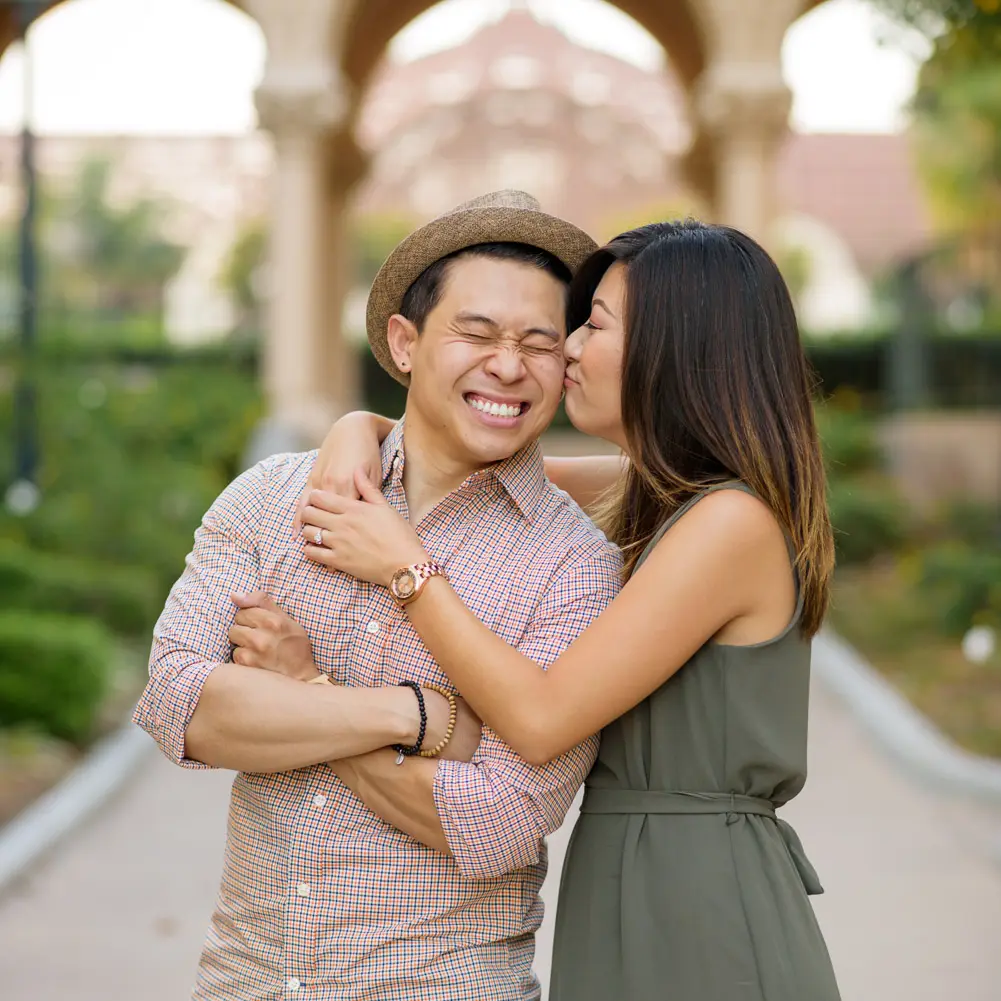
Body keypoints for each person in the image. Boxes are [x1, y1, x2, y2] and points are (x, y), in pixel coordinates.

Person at [296, 219, 843, 1000]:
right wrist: (355, 429)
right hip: (631, 883)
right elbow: (451, 446)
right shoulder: (654, 492)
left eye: (596, 324)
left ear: (677, 347)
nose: (570, 350)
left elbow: (544, 716)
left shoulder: (729, 523)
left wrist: (404, 570)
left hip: (704, 910)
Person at [133, 190, 623, 1001]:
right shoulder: (275, 498)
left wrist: (302, 690)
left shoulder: (575, 568)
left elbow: (494, 821)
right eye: (476, 332)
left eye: (539, 343)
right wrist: (417, 715)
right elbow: (180, 704)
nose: (508, 365)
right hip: (244, 982)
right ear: (404, 340)